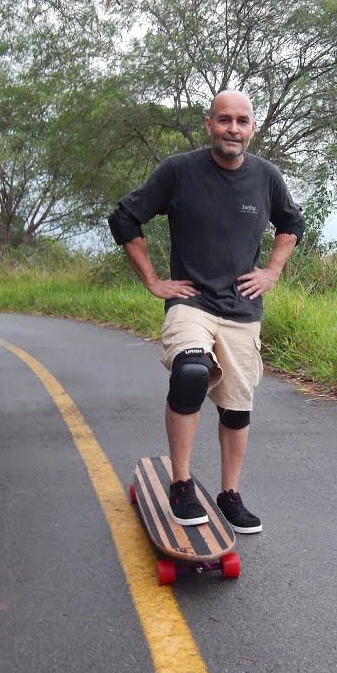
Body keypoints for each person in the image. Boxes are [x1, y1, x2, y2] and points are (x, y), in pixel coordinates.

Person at [107, 90, 305, 533]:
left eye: (241, 121)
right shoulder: (179, 171)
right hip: (190, 301)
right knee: (191, 372)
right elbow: (125, 218)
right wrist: (155, 282)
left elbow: (292, 224)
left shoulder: (266, 177)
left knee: (237, 407)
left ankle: (229, 493)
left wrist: (271, 272)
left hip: (241, 308)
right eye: (224, 120)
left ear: (252, 127)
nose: (233, 128)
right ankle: (181, 483)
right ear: (208, 124)